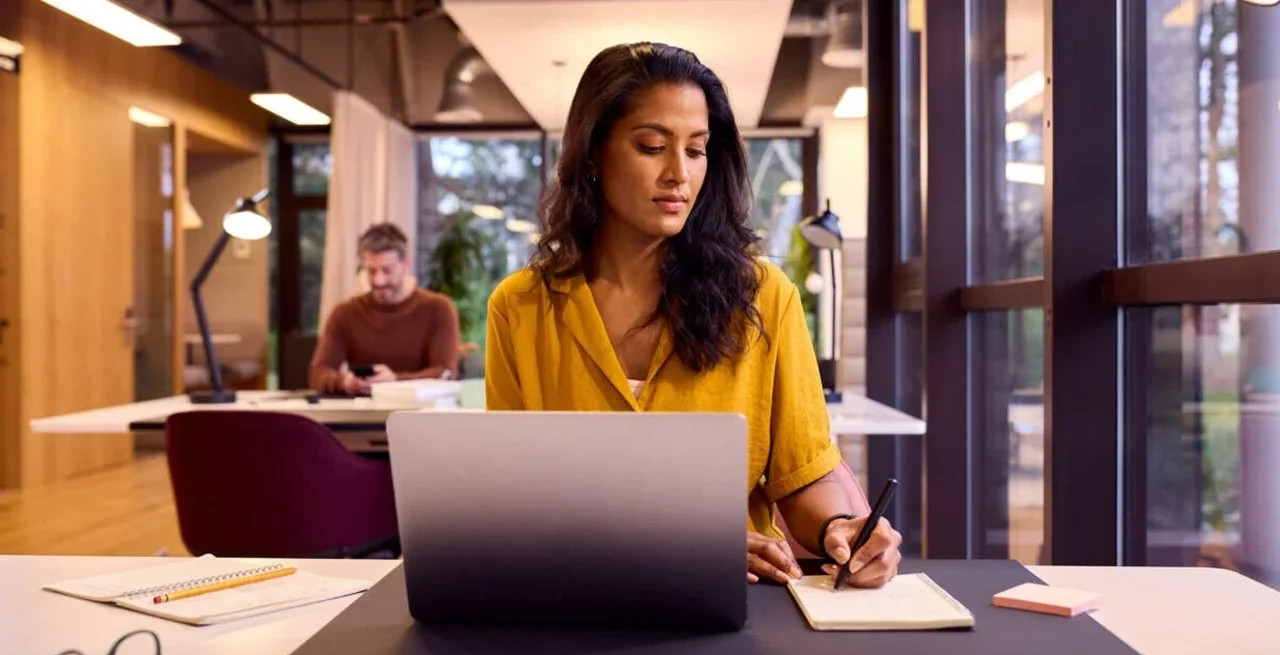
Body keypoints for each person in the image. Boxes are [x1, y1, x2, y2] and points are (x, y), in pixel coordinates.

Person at [484, 42, 903, 588]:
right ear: (592, 155)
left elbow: (803, 477)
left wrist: (841, 528)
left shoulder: (763, 296)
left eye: (697, 150)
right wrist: (680, 545)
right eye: (652, 146)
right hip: (576, 599)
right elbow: (510, 499)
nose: (678, 173)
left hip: (731, 603)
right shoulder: (520, 308)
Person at [310, 223, 460, 396]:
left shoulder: (438, 309)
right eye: (371, 271)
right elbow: (318, 373)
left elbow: (445, 373)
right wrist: (344, 381)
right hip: (361, 416)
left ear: (406, 263)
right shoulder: (345, 313)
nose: (378, 281)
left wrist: (395, 380)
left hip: (419, 416)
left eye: (387, 270)